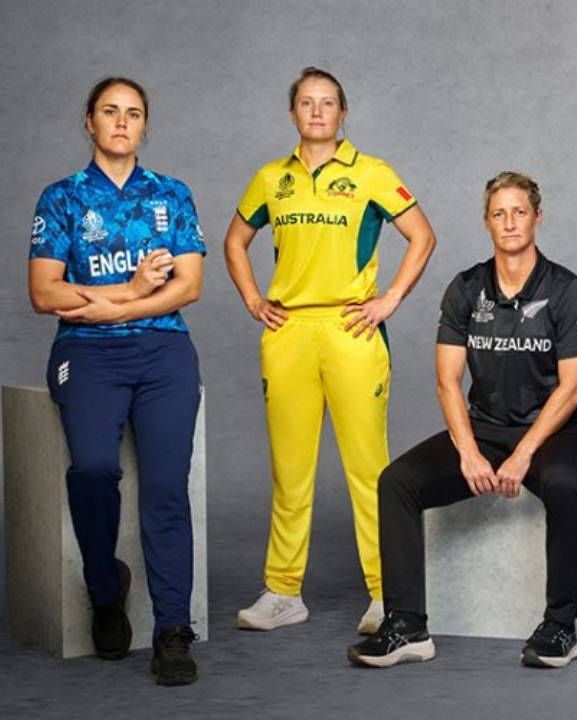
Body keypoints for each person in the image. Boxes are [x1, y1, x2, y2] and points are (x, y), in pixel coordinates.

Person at [348, 171, 577, 669]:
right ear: (486, 222)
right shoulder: (466, 288)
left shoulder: (567, 290)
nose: (510, 223)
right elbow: (447, 381)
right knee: (397, 482)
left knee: (563, 486)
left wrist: (523, 454)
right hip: (484, 428)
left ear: (537, 217)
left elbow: (573, 388)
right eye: (499, 213)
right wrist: (467, 451)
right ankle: (407, 627)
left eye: (519, 212)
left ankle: (560, 625)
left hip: (555, 431)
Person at [224, 67, 437, 635]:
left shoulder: (371, 173)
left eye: (327, 103)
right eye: (306, 102)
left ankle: (386, 594)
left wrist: (390, 299)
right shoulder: (271, 178)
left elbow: (422, 235)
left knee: (369, 471)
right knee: (290, 471)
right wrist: (253, 298)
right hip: (289, 332)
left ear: (343, 114)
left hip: (352, 330)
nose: (316, 111)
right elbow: (235, 241)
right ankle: (282, 591)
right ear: (292, 113)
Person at [28, 77, 205, 685]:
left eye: (133, 113)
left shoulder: (171, 194)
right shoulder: (62, 198)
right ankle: (105, 589)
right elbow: (44, 292)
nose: (122, 122)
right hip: (86, 353)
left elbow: (189, 286)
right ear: (90, 121)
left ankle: (173, 630)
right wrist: (128, 290)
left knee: (166, 486)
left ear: (145, 124)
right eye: (110, 111)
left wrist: (119, 306)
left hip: (164, 351)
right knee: (94, 468)